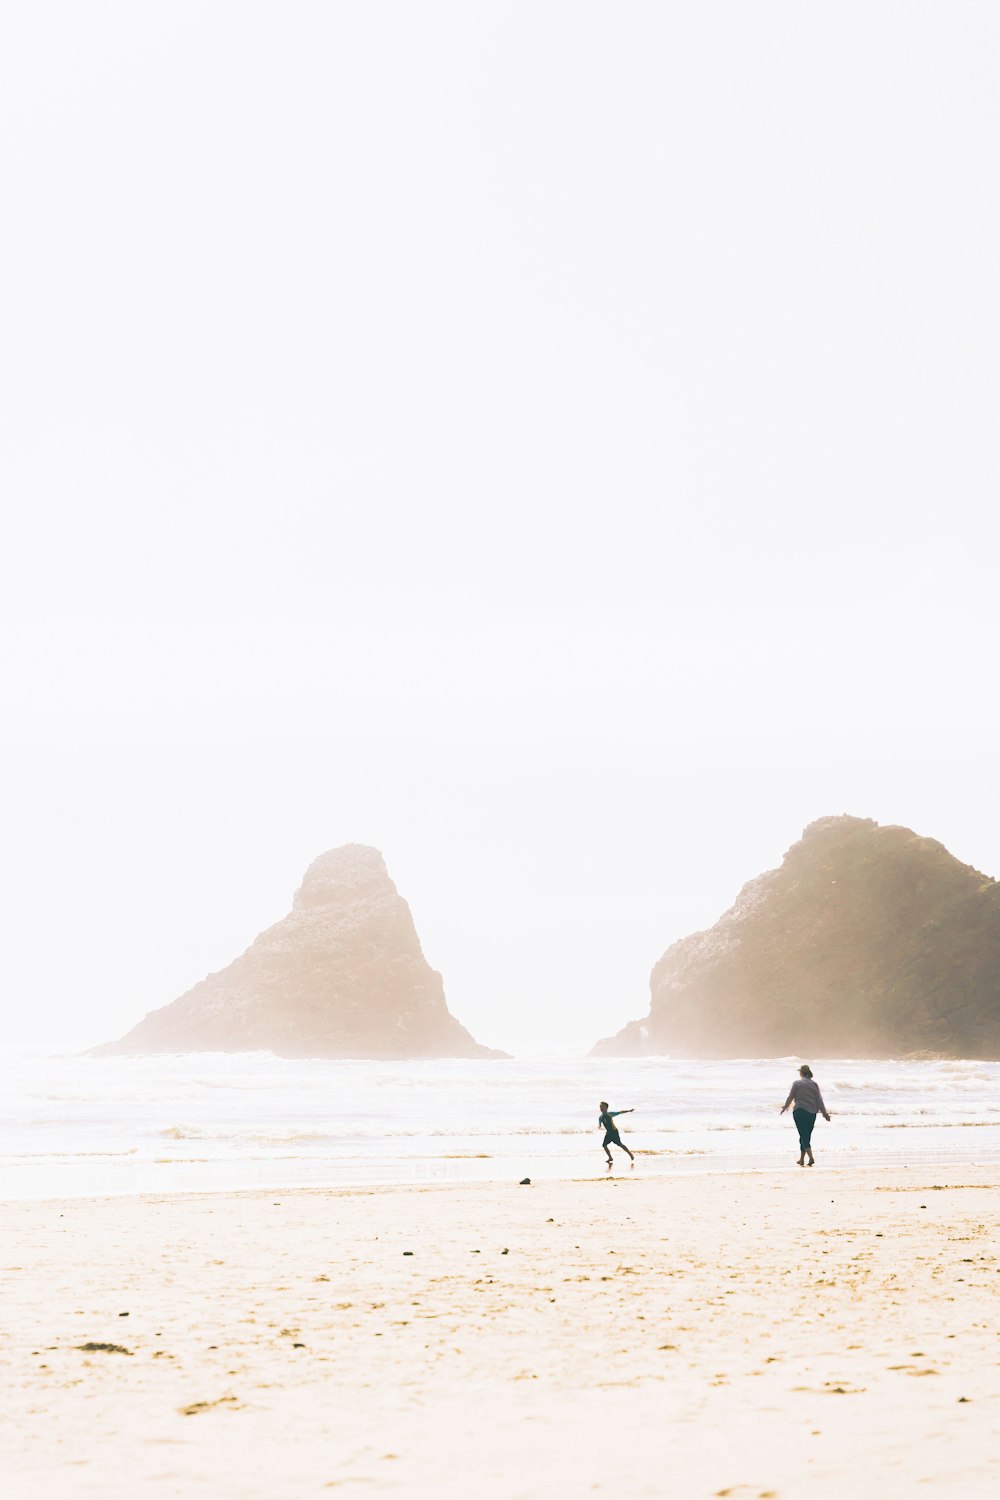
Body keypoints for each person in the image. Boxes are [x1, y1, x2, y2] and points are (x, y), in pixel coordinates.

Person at [780, 1064, 831, 1166]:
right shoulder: (814, 1084)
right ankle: (802, 1159)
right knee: (805, 1135)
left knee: (803, 1135)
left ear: (801, 1073)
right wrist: (824, 1113)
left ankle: (811, 1158)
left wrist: (785, 1107)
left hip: (799, 1112)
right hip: (811, 1113)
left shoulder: (797, 1083)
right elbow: (819, 1100)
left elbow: (791, 1097)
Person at [598, 1100, 635, 1168]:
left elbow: (620, 1112)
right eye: (600, 1106)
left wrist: (629, 1111)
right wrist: (599, 1126)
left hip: (614, 1132)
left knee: (619, 1144)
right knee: (604, 1145)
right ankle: (610, 1158)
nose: (601, 1108)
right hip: (608, 1133)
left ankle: (630, 1154)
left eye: (603, 1106)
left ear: (606, 1108)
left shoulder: (610, 1114)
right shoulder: (600, 1117)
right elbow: (599, 1123)